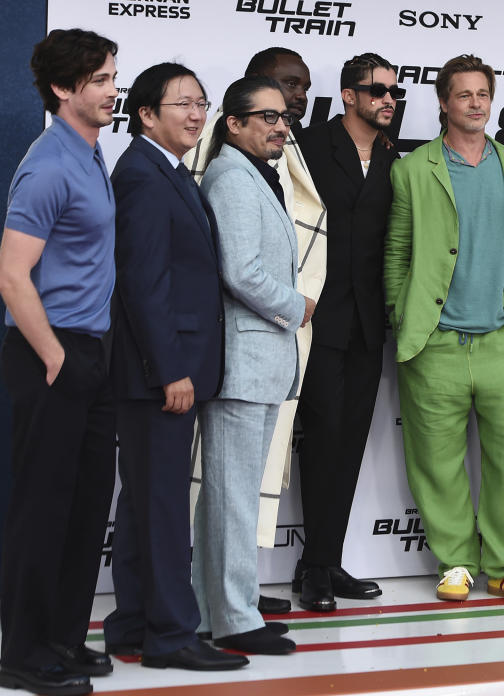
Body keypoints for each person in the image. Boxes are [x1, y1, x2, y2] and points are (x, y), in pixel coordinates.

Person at [102, 62, 249, 671]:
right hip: (158, 374)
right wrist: (170, 370)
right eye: (182, 103)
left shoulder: (165, 169)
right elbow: (143, 285)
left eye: (201, 103)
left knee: (144, 504)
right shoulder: (142, 175)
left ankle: (134, 624)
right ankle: (170, 636)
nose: (196, 114)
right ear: (145, 113)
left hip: (158, 371)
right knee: (161, 507)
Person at [384, 54, 504, 603]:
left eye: (483, 94)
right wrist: (402, 319)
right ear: (444, 103)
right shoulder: (411, 169)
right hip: (435, 341)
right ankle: (455, 561)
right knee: (437, 461)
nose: (476, 104)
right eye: (464, 95)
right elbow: (397, 253)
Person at [184, 47, 327, 616]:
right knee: (233, 500)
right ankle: (235, 617)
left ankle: (220, 606)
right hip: (245, 363)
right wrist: (296, 307)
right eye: (266, 116)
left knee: (230, 498)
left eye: (284, 116)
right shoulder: (234, 178)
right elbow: (239, 271)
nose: (280, 126)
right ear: (233, 123)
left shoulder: (253, 174)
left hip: (260, 364)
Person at [0, 28, 118, 696]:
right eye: (99, 79)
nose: (112, 89)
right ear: (62, 89)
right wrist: (53, 358)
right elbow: (13, 275)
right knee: (44, 508)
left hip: (90, 350)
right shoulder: (47, 163)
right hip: (52, 350)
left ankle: (62, 638)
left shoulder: (90, 152)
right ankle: (21, 651)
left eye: (112, 76)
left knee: (83, 506)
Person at [292, 53, 400, 611]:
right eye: (376, 89)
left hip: (368, 322)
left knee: (351, 441)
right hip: (315, 318)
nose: (387, 98)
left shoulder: (392, 155)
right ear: (348, 95)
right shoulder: (307, 147)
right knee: (323, 438)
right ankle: (312, 567)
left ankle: (329, 561)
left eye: (393, 91)